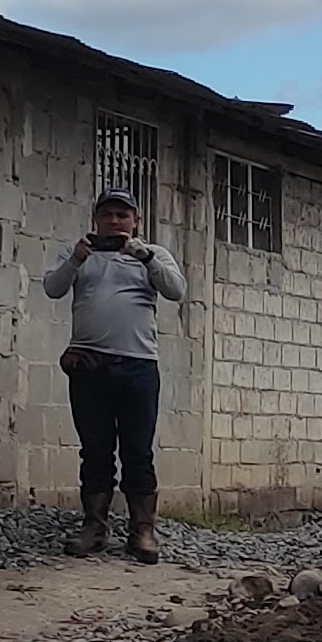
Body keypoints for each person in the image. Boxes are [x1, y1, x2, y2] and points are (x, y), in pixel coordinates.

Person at [43, 188, 188, 561]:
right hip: (89, 367)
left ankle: (142, 531)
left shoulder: (153, 254)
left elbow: (176, 291)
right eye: (107, 214)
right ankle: (94, 527)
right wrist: (75, 260)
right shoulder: (78, 253)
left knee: (138, 451)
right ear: (96, 219)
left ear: (136, 221)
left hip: (138, 367)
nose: (114, 221)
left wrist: (145, 257)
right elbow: (52, 288)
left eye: (122, 215)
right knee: (95, 450)